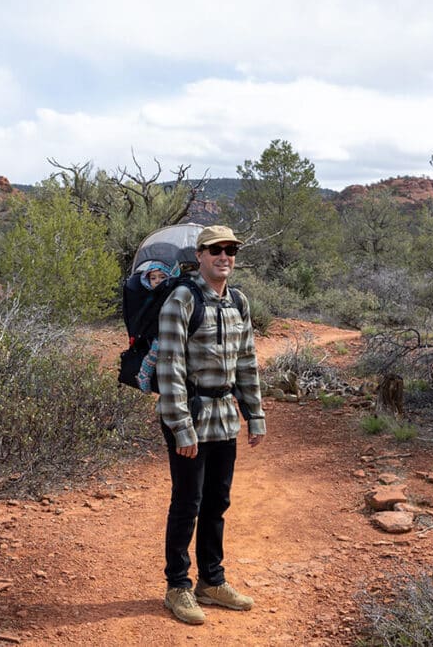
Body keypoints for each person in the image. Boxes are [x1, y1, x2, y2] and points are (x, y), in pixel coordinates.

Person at [156, 225, 266, 625]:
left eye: (231, 249)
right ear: (199, 255)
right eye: (216, 249)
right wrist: (181, 428)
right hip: (189, 416)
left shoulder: (238, 301)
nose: (224, 256)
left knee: (217, 503)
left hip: (224, 419)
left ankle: (212, 581)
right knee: (188, 503)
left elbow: (247, 362)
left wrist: (255, 415)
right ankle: (178, 587)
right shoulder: (181, 300)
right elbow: (169, 369)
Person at [135, 261, 172, 393]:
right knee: (155, 351)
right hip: (158, 332)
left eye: (162, 277)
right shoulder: (150, 296)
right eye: (153, 278)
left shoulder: (173, 293)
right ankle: (144, 374)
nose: (157, 281)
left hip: (172, 330)